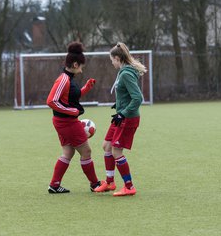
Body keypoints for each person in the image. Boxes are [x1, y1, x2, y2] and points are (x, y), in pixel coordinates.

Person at [46, 41, 102, 194]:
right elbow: (51, 101)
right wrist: (71, 112)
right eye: (82, 66)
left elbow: (70, 98)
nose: (82, 69)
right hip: (67, 122)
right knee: (86, 151)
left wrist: (86, 88)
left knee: (68, 152)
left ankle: (54, 185)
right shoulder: (63, 79)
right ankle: (95, 184)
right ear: (76, 64)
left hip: (64, 121)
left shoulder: (69, 79)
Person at [94, 42, 146, 196]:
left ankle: (129, 187)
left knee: (117, 152)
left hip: (127, 118)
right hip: (120, 116)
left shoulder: (126, 73)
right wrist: (118, 104)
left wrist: (123, 112)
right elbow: (126, 94)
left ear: (117, 58)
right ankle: (110, 182)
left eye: (112, 60)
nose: (112, 63)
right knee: (106, 146)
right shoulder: (123, 72)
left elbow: (137, 98)